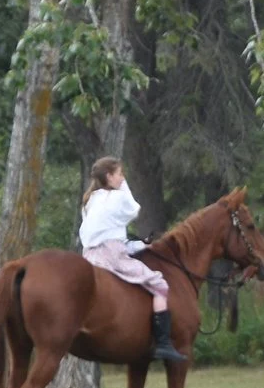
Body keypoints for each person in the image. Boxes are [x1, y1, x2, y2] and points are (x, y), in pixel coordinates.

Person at [77, 156, 184, 364]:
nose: (122, 177)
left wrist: (141, 246)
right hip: (113, 256)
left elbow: (109, 236)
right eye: (119, 173)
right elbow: (134, 210)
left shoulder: (89, 200)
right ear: (109, 176)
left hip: (90, 256)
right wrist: (123, 185)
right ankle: (162, 343)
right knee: (159, 284)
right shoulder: (115, 198)